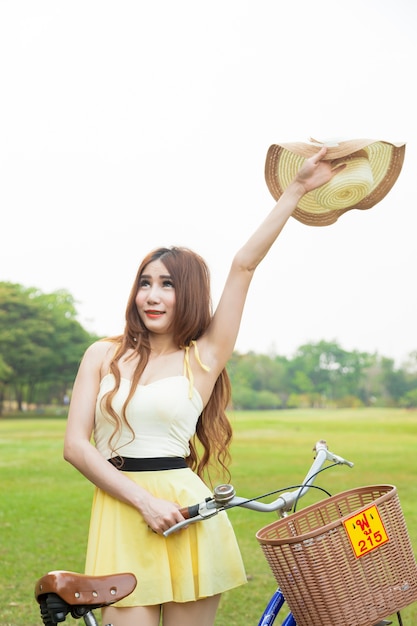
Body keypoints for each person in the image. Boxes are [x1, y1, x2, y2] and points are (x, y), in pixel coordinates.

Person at [64, 146, 342, 626]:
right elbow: (75, 446)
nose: (152, 295)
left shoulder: (204, 358)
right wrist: (144, 501)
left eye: (167, 284)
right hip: (122, 510)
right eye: (145, 282)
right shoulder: (101, 354)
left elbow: (243, 266)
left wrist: (294, 190)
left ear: (187, 292)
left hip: (188, 516)